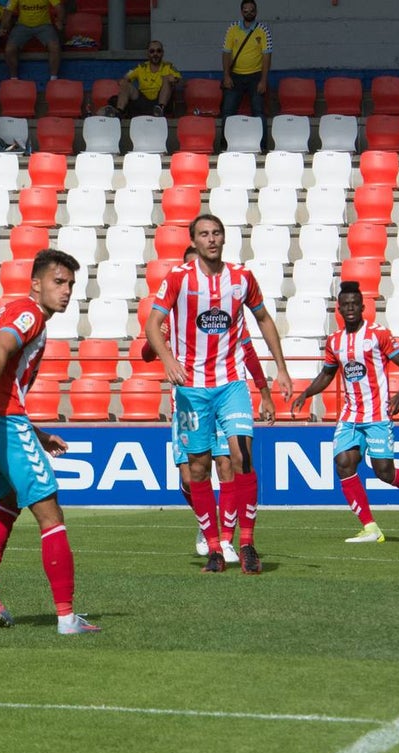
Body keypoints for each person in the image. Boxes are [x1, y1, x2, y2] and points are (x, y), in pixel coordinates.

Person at [0, 249, 100, 635]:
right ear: (36, 284)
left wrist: (37, 434)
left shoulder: (11, 313)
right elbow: (0, 348)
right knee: (51, 516)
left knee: (8, 501)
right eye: (58, 282)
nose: (67, 291)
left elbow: (3, 376)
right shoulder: (29, 313)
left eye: (71, 284)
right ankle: (67, 618)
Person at [145, 214, 292, 575]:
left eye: (216, 233)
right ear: (194, 241)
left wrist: (281, 369)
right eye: (204, 235)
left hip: (231, 383)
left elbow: (264, 320)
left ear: (224, 238)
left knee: (241, 454)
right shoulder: (179, 278)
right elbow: (152, 324)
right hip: (191, 389)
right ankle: (212, 546)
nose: (211, 239)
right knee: (197, 467)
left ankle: (246, 543)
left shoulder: (241, 278)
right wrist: (167, 359)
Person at [290, 282, 399, 544]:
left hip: (377, 416)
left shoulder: (379, 334)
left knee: (384, 473)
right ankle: (370, 527)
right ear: (338, 309)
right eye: (345, 304)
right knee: (344, 463)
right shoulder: (335, 341)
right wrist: (307, 393)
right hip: (350, 416)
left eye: (355, 304)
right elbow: (328, 373)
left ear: (363, 307)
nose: (350, 308)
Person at [220, 0, 272, 149]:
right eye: (245, 10)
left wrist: (263, 80)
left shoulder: (263, 30)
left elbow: (267, 56)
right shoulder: (232, 28)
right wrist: (226, 76)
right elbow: (226, 53)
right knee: (228, 113)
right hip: (235, 76)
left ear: (256, 12)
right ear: (241, 12)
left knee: (259, 113)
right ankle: (224, 147)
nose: (249, 13)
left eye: (251, 10)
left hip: (256, 76)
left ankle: (262, 148)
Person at [100, 40, 181, 119]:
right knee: (125, 83)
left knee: (167, 78)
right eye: (152, 51)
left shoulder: (169, 66)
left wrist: (175, 80)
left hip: (161, 100)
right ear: (148, 53)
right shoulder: (141, 67)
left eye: (158, 51)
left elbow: (181, 82)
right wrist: (124, 81)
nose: (155, 54)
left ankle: (160, 110)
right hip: (142, 101)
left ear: (162, 53)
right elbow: (125, 77)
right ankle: (119, 112)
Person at [2, 0, 64, 81]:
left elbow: (60, 7)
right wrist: (4, 25)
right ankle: (14, 79)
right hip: (22, 26)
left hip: (44, 25)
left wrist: (60, 21)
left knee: (55, 47)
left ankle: (54, 78)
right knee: (9, 49)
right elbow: (8, 11)